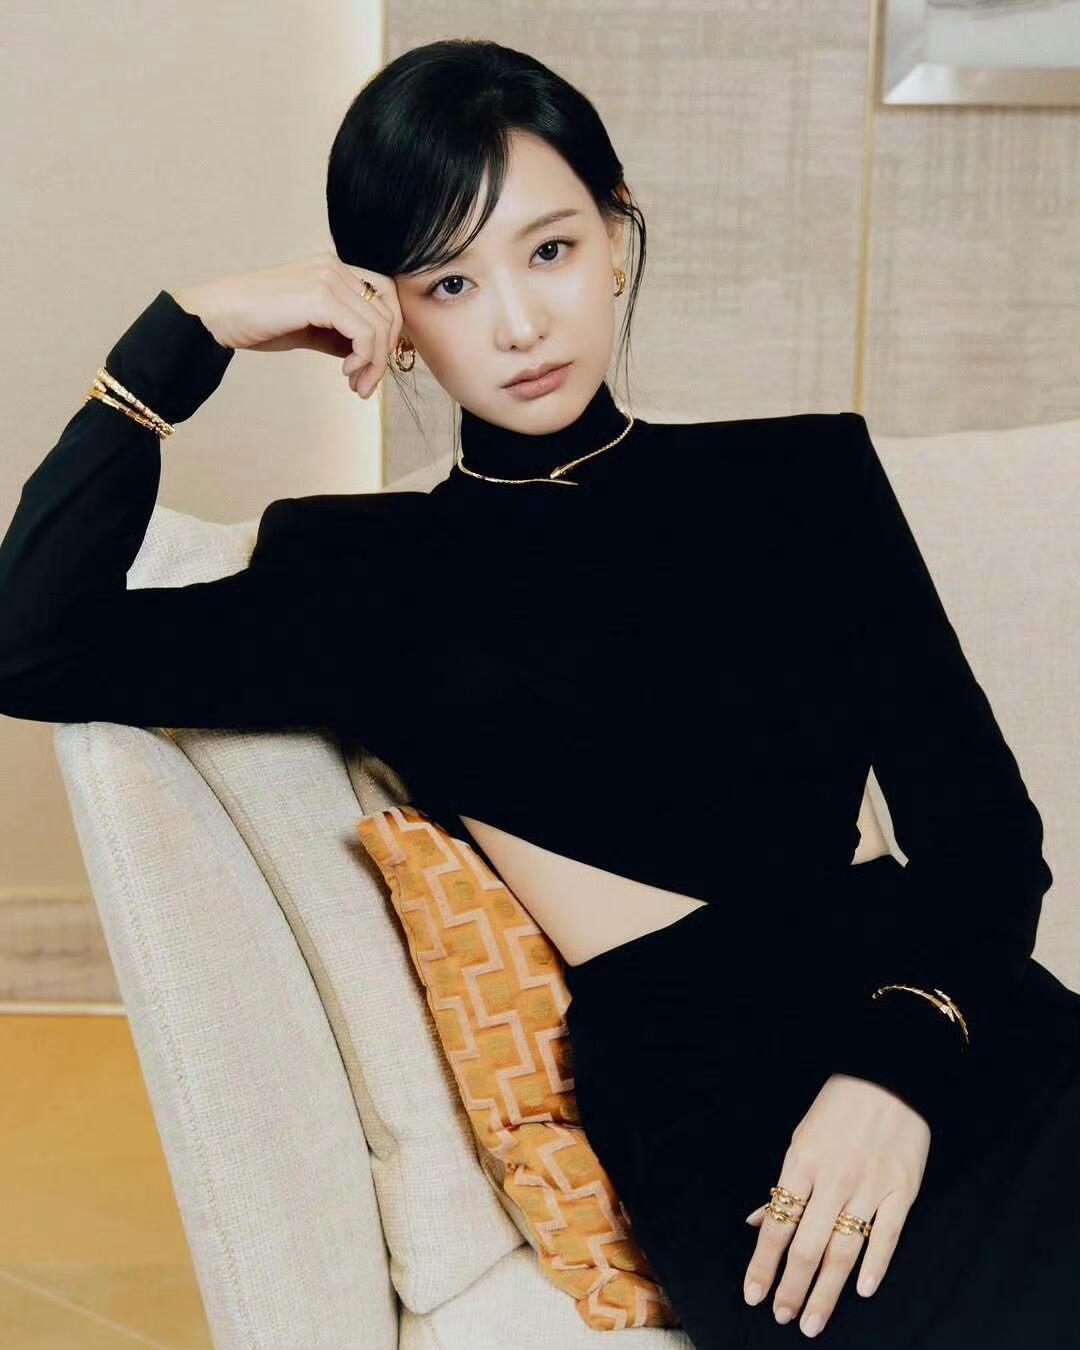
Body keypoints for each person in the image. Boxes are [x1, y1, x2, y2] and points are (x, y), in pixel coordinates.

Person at [2, 37, 1077, 1350]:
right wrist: (192, 330)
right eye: (451, 282)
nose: (517, 323)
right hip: (719, 1101)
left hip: (947, 1019)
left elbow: (987, 840)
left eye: (551, 251)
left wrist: (896, 1068)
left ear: (618, 239)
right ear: (389, 313)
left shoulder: (804, 481)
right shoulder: (362, 574)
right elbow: (31, 645)